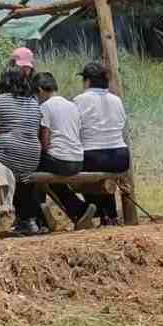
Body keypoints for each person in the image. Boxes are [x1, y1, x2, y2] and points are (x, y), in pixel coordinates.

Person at [0, 64, 44, 235]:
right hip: (32, 158)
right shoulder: (34, 102)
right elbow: (35, 131)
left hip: (7, 155)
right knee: (21, 179)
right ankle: (27, 221)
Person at [34, 72, 97, 230]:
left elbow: (45, 143)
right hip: (78, 161)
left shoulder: (45, 107)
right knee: (52, 180)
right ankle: (79, 209)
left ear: (39, 90)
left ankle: (37, 215)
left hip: (60, 162)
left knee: (29, 166)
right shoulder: (72, 105)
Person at [74, 62, 130, 225]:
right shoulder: (116, 100)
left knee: (78, 171)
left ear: (87, 81)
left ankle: (97, 213)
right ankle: (110, 215)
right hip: (121, 157)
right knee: (102, 173)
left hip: (94, 156)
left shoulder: (79, 100)